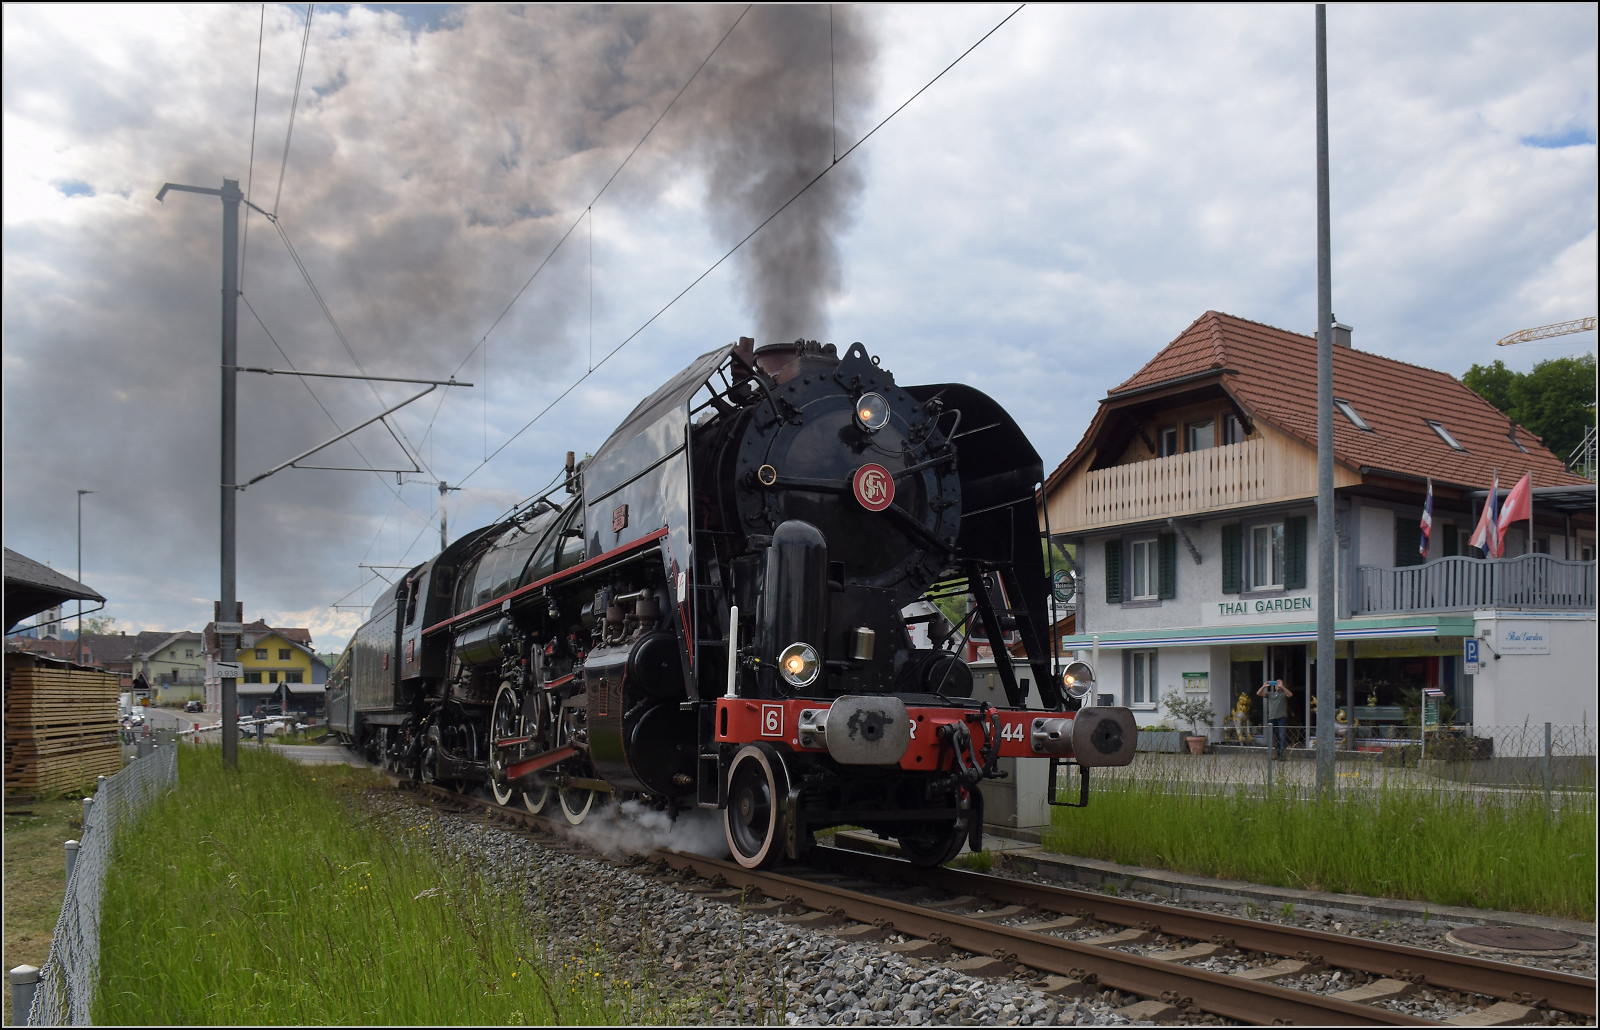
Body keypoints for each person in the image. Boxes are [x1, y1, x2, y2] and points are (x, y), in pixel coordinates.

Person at [1256, 677, 1293, 758]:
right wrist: (1264, 686)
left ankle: (1282, 754)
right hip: (1272, 718)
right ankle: (1277, 753)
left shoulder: (1283, 694)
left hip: (1281, 718)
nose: (1277, 685)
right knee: (1275, 737)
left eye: (1279, 683)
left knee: (1282, 735)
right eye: (1276, 683)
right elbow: (1258, 693)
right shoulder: (1270, 694)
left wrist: (1283, 687)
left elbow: (1290, 695)